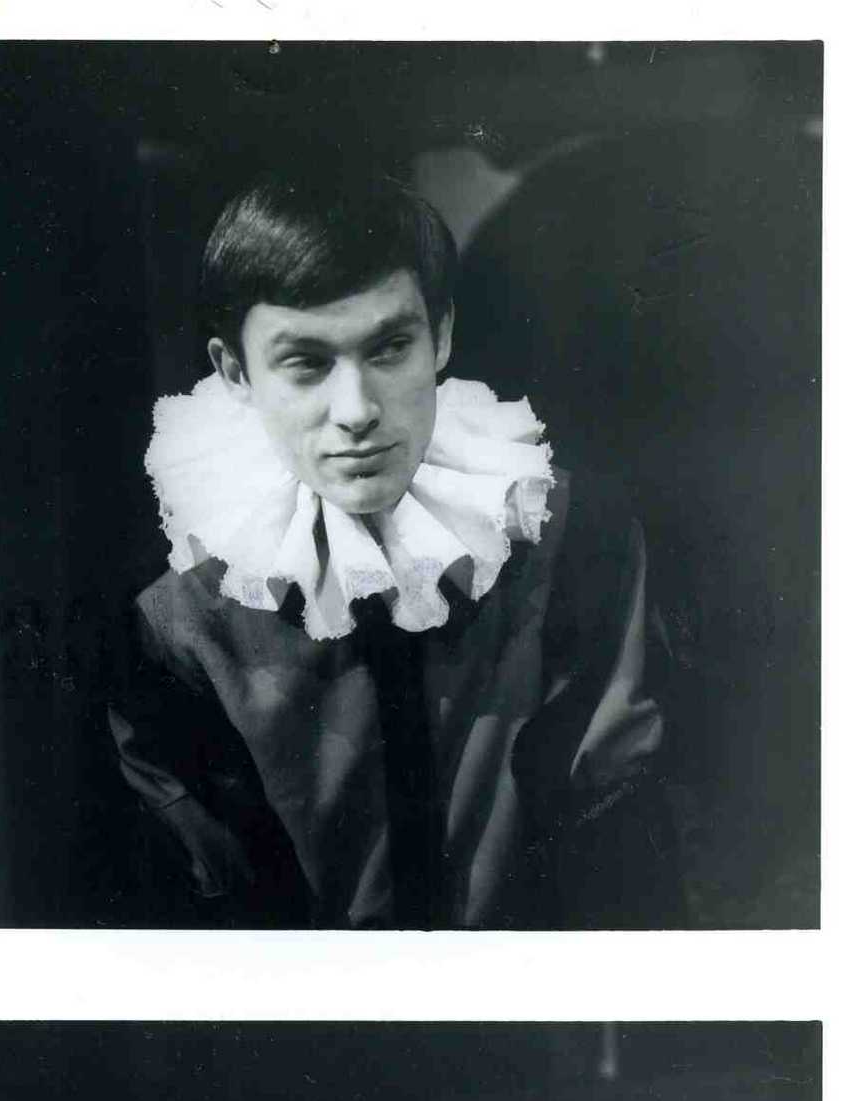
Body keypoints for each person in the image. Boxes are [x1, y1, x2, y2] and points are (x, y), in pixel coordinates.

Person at [108, 172, 684, 928]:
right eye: (306, 363)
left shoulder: (572, 538)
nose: (357, 411)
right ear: (235, 373)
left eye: (390, 348)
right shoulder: (181, 627)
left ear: (440, 336)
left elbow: (617, 836)